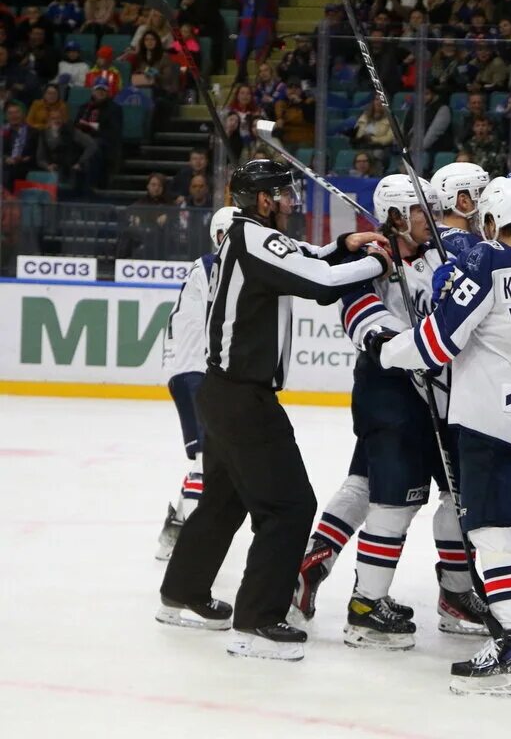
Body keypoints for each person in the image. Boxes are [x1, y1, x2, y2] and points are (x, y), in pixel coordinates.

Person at [366, 176, 511, 695]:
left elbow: (435, 345)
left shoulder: (487, 261)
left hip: (492, 421)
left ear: (492, 222)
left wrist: (385, 349)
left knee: (491, 532)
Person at [156, 160, 393, 661]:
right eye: (283, 195)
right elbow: (320, 284)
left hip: (225, 395)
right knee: (289, 506)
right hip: (244, 399)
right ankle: (258, 621)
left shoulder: (249, 238)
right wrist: (377, 262)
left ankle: (182, 590)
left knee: (224, 500)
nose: (290, 203)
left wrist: (345, 245)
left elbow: (310, 258)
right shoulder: (254, 239)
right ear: (262, 201)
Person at [294, 174, 485, 647]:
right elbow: (360, 318)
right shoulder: (369, 261)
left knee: (372, 482)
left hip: (437, 394)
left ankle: (317, 558)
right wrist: (396, 341)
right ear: (397, 216)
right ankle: (366, 607)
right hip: (392, 394)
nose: (432, 218)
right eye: (421, 211)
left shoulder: (436, 255)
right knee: (397, 501)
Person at [155, 206, 236, 561]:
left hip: (191, 372)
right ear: (220, 236)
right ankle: (184, 544)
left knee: (210, 458)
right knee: (208, 460)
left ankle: (174, 529)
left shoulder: (208, 267)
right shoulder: (212, 266)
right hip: (196, 374)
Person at [430, 161, 490, 256]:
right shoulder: (473, 244)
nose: (485, 201)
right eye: (481, 194)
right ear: (464, 201)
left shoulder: (428, 235)